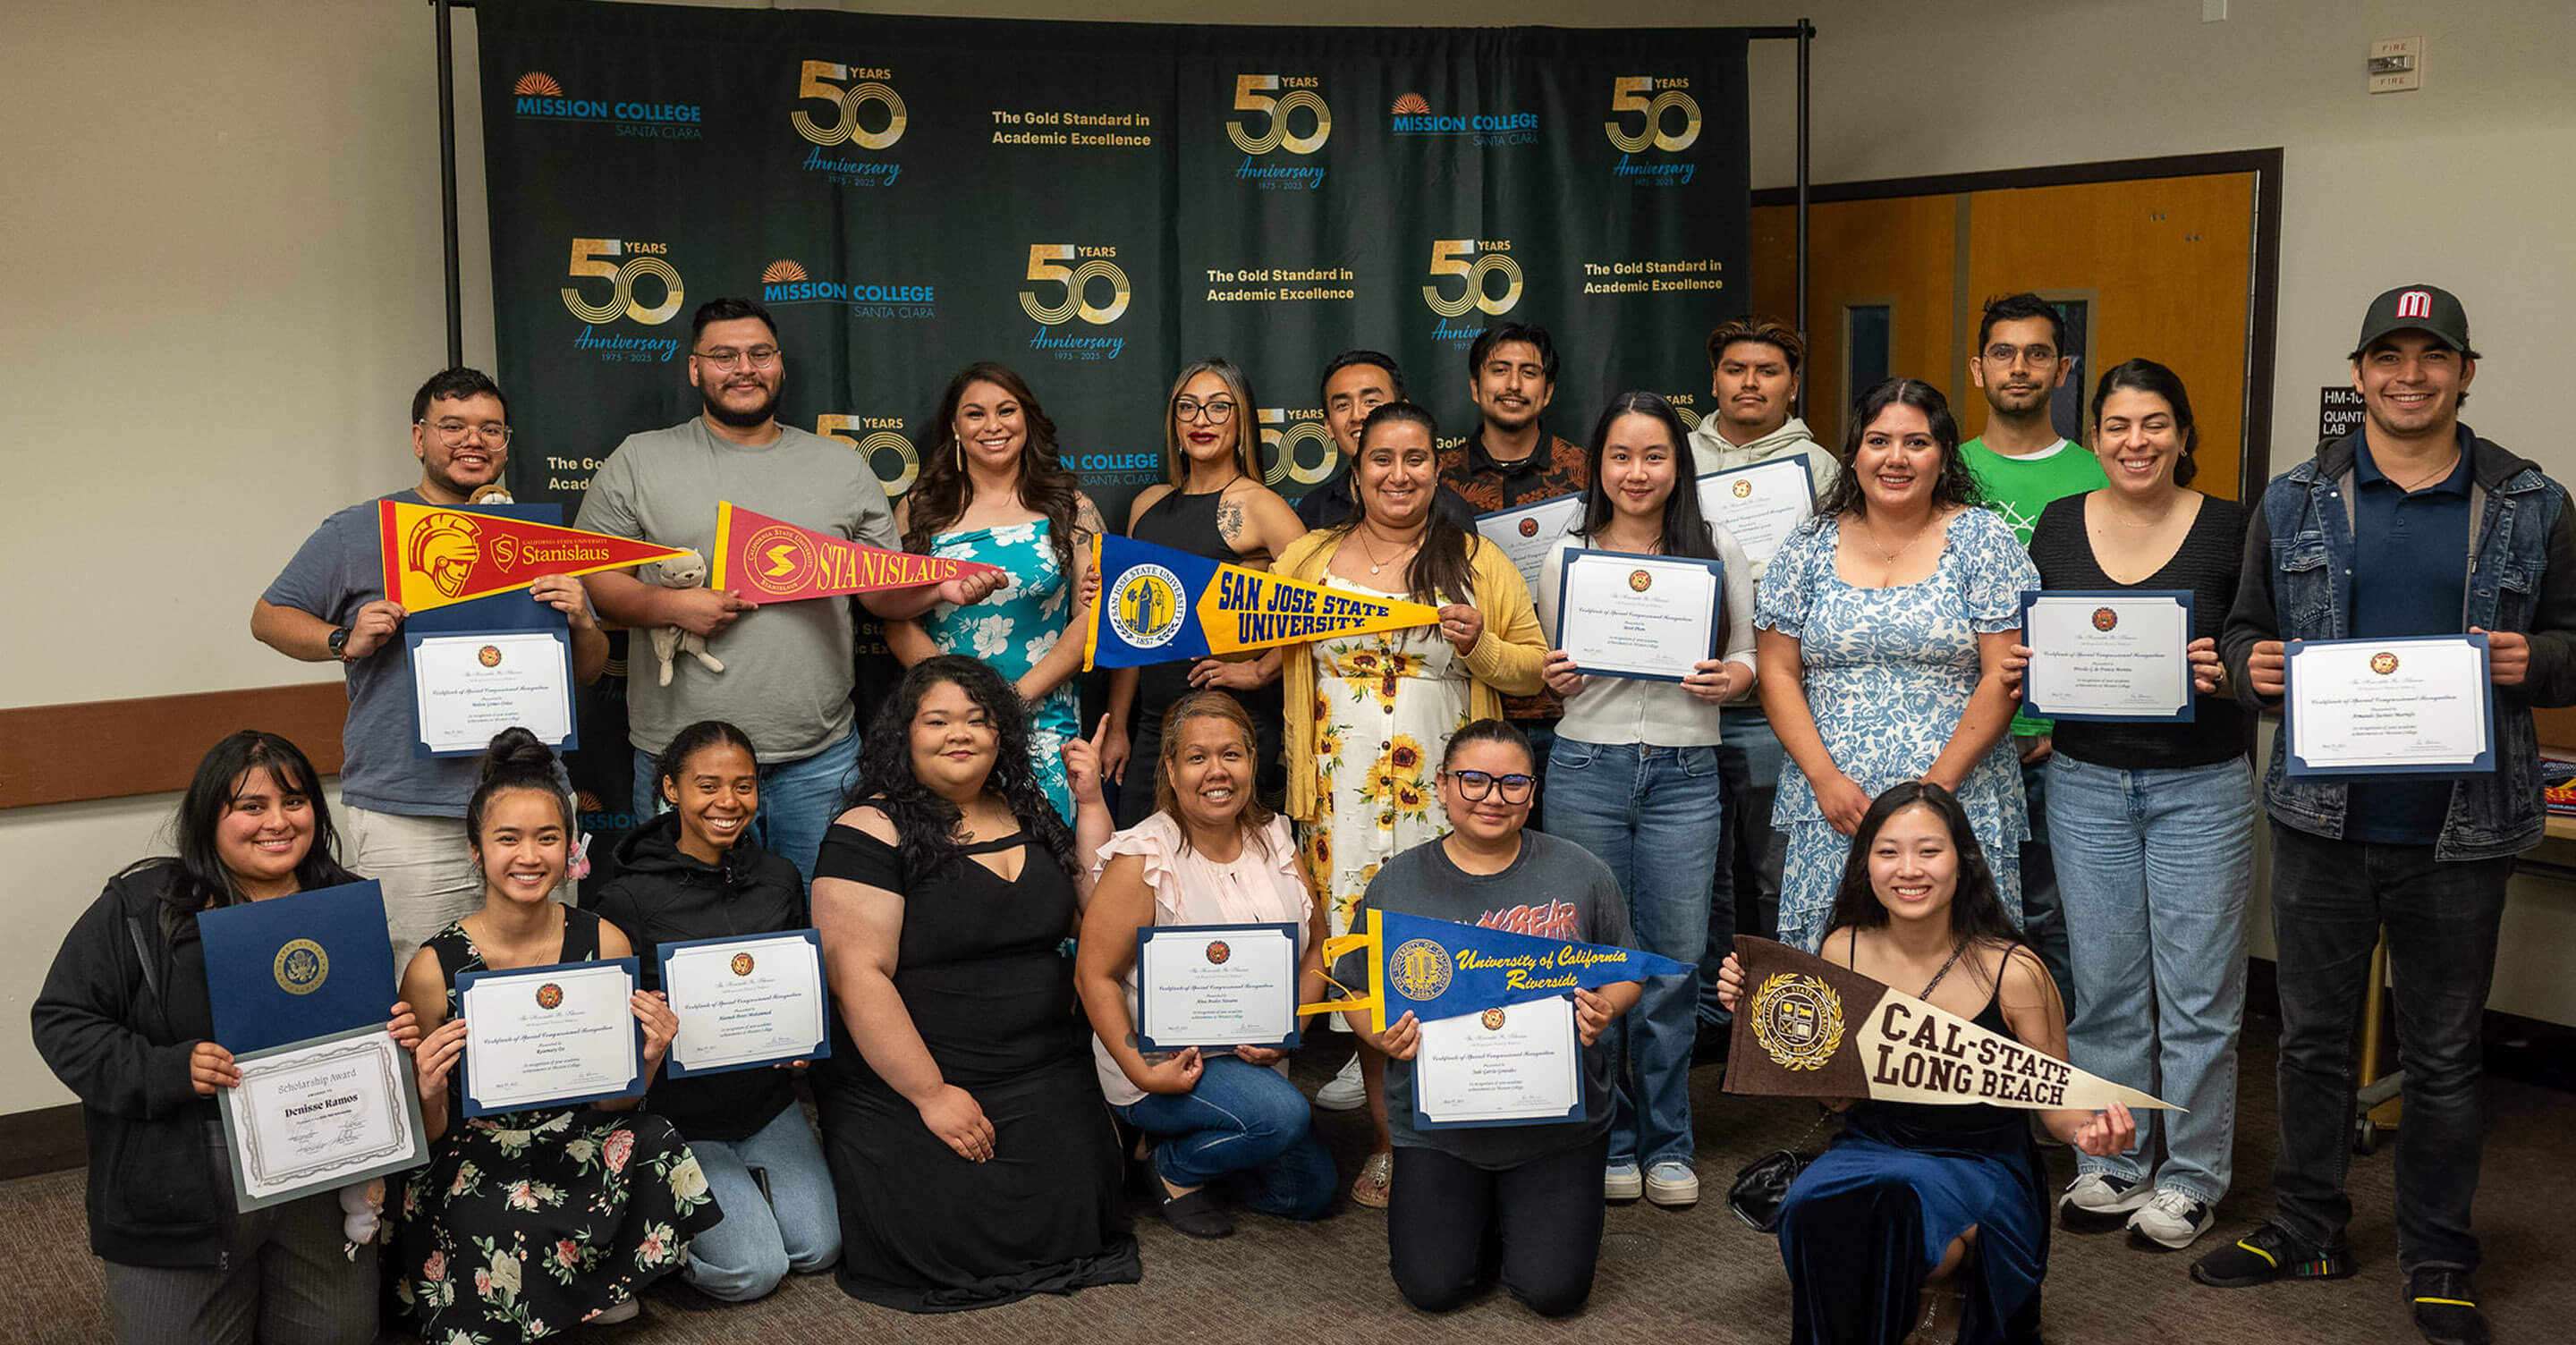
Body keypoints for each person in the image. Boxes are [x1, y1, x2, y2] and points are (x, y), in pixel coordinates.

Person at [2200, 284, 2576, 1345]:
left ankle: (2440, 1254)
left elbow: (2573, 641)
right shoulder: (2295, 499)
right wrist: (2251, 667)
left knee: (2447, 1055)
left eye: (2432, 355)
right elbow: (2242, 634)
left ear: (2466, 371)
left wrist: (2533, 660)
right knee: (2312, 1044)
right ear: (2359, 372)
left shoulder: (2532, 502)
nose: (2409, 373)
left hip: (2463, 830)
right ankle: (2307, 1224)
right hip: (2323, 822)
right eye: (2389, 355)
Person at [577, 298, 1001, 884]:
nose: (744, 368)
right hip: (686, 761)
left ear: (780, 365)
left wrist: (938, 588)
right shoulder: (641, 459)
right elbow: (595, 583)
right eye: (724, 355)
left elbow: (881, 594)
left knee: (825, 934)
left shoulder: (841, 466)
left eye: (760, 354)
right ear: (695, 369)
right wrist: (672, 605)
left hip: (819, 761)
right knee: (687, 935)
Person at [1716, 782, 2135, 1345]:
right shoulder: (1845, 948)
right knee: (1813, 1204)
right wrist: (1758, 1013)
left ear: (1963, 861)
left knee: (1896, 1200)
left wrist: (2089, 1131)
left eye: (1928, 851)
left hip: (1981, 1162)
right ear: (1866, 865)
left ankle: (1939, 1288)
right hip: (1871, 1144)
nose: (1908, 869)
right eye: (1888, 852)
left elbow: (2053, 1100)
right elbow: (1837, 1096)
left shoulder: (2013, 971)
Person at [34, 731, 416, 1345]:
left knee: (340, 1333)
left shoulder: (342, 903)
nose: (277, 822)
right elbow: (62, 1020)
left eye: (295, 802)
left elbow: (364, 1039)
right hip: (182, 1178)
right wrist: (166, 1069)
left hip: (314, 1170)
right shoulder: (141, 907)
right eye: (251, 806)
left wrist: (393, 1033)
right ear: (208, 816)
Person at [1275, 401, 1548, 1206]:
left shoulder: (1474, 558)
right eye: (1382, 459)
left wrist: (1479, 646)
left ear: (1438, 467)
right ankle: (1393, 1145)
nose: (1400, 474)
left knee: (1453, 961)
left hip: (1451, 799)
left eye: (1417, 458)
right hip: (1341, 799)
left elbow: (1530, 668)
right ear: (1355, 472)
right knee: (1368, 970)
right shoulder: (1306, 557)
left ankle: (1468, 1140)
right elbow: (1241, 630)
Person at [808, 656, 1140, 1310]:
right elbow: (857, 978)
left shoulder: (1026, 805)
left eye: (977, 720)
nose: (959, 734)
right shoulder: (868, 829)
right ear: (905, 734)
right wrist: (932, 1096)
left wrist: (1093, 803)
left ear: (1001, 736)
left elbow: (1091, 915)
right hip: (916, 1076)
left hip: (1041, 1066)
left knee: (1082, 1206)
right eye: (937, 721)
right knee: (938, 1234)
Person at [252, 368, 606, 959]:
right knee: (416, 990)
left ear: (506, 443)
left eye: (490, 429)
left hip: (532, 809)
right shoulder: (360, 530)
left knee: (537, 981)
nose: (473, 441)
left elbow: (591, 669)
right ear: (420, 439)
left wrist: (583, 622)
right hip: (408, 815)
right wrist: (344, 639)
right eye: (453, 426)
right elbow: (270, 616)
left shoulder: (536, 536)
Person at [2018, 360, 2251, 1250]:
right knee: (2108, 987)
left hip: (2201, 785)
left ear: (2184, 434)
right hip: (2083, 780)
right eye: (2117, 424)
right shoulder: (2059, 524)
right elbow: (2041, 639)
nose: (2136, 441)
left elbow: (2266, 647)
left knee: (2199, 994)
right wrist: (2026, 673)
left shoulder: (2233, 526)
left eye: (2155, 423)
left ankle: (2191, 1177)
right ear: (2097, 436)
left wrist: (2232, 671)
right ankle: (2115, 1159)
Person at [391, 729, 719, 1340]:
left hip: (576, 1133)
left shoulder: (602, 941)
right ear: (475, 850)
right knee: (484, 1205)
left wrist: (648, 1056)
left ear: (571, 849)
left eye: (548, 838)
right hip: (476, 1149)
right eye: (507, 839)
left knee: (655, 1139)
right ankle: (582, 1292)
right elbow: (428, 1137)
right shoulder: (435, 967)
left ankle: (567, 1288)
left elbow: (613, 1102)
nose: (529, 856)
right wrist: (428, 1088)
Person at [1536, 391, 1758, 1208]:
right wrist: (1556, 676)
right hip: (1586, 767)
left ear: (1679, 465)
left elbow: (1749, 658)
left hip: (1686, 775)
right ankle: (1611, 1138)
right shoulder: (1566, 556)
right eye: (1621, 457)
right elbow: (1553, 665)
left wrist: (1726, 678)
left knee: (1669, 966)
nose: (1637, 473)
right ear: (1598, 466)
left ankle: (1669, 1143)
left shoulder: (1719, 547)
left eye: (1654, 457)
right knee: (1595, 962)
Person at [1340, 720, 1641, 1316]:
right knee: (1432, 1289)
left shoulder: (1579, 872)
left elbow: (1626, 970)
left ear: (1534, 790)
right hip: (1439, 1127)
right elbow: (1354, 988)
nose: (1492, 798)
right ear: (1442, 786)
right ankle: (1488, 1215)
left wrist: (1608, 1006)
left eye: (1512, 783)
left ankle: (1516, 1216)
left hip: (1557, 1123)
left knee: (1554, 1293)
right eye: (1474, 780)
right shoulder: (1397, 882)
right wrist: (1379, 1032)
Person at [1755, 377, 2034, 953]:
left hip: (1959, 793)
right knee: (1836, 968)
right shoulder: (1808, 544)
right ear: (1854, 452)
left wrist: (1936, 793)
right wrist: (1825, 780)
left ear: (1944, 455)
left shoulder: (1983, 540)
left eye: (1917, 442)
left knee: (1960, 958)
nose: (1896, 459)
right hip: (1836, 803)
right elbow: (1777, 671)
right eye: (1879, 441)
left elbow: (2004, 674)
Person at [589, 720, 839, 1300]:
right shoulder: (626, 898)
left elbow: (797, 990)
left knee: (817, 1248)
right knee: (752, 1271)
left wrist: (800, 1040)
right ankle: (648, 1233)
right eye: (708, 785)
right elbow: (607, 1033)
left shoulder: (779, 879)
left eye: (744, 785)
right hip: (680, 1117)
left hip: (765, 1105)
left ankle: (740, 1197)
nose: (728, 802)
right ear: (671, 789)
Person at [1075, 690, 1336, 1237]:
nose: (1216, 772)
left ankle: (1187, 1144)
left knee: (1307, 1194)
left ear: (1251, 762)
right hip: (1163, 1063)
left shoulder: (1275, 838)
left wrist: (1293, 1025)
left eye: (1231, 755)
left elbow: (1317, 947)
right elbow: (1092, 975)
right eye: (1197, 757)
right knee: (1283, 1118)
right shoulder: (1142, 857)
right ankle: (1175, 1168)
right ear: (1170, 768)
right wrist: (1142, 1069)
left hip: (1257, 1060)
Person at [1685, 317, 1839, 1036]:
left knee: (1780, 873)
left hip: (1784, 703)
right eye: (1737, 369)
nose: (1751, 383)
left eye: (1769, 371)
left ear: (1793, 384)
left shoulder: (1825, 469)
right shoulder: (1677, 456)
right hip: (1686, 694)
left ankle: (1790, 1028)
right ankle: (1716, 1031)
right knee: (1701, 878)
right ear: (1713, 379)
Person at [1959, 292, 2104, 1011]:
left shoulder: (2100, 473)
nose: (2020, 367)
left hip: (2057, 748)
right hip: (1952, 744)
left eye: (2038, 353)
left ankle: (2063, 1093)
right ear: (1977, 369)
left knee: (2052, 921)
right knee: (1954, 921)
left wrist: (2048, 724)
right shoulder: (1937, 468)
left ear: (2064, 369)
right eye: (2004, 353)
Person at [887, 361, 1104, 823]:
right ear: (954, 426)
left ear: (1026, 419)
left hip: (1044, 722)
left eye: (1006, 410)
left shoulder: (1071, 506)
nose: (993, 426)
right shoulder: (919, 508)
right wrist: (964, 709)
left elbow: (1095, 615)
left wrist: (1012, 702)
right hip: (948, 729)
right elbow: (896, 617)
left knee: (1050, 864)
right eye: (975, 414)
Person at [1102, 358, 1307, 828]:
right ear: (1173, 421)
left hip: (1230, 726)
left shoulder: (1259, 506)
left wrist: (1259, 670)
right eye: (1188, 407)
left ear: (1243, 420)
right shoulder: (1147, 506)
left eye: (1219, 407)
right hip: (1155, 726)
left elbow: (1321, 606)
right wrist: (1117, 725)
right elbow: (1130, 629)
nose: (1201, 420)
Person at [1437, 323, 1587, 825]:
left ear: (1548, 392)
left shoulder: (1586, 475)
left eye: (1529, 373)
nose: (1514, 385)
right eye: (1499, 371)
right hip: (1466, 707)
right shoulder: (1436, 478)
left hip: (1566, 713)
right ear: (1475, 386)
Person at [1294, 350, 1476, 531]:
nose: (1357, 415)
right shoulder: (1315, 508)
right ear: (1328, 426)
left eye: (1371, 401)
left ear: (1403, 412)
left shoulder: (1449, 510)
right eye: (1343, 405)